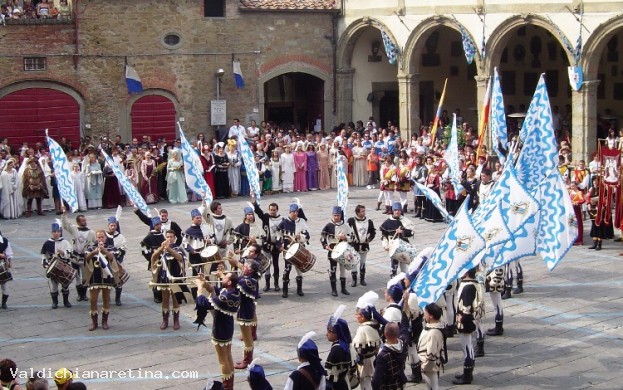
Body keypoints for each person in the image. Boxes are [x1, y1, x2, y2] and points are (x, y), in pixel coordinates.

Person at [194, 271, 241, 390]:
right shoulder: (234, 292)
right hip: (228, 327)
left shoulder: (225, 297)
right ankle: (230, 386)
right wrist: (206, 284)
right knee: (228, 356)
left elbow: (203, 303)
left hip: (220, 328)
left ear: (229, 282)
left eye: (225, 277)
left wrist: (199, 288)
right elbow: (217, 291)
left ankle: (227, 387)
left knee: (223, 360)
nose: (222, 278)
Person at [228, 246, 260, 369]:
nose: (243, 267)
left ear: (251, 270)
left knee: (247, 338)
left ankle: (247, 360)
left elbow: (236, 283)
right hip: (245, 309)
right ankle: (247, 359)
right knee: (247, 337)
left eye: (246, 267)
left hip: (246, 310)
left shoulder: (249, 281)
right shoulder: (247, 278)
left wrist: (224, 276)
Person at [84, 230, 121, 331]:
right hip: (94, 277)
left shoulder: (111, 247)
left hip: (107, 276)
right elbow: (86, 258)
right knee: (93, 299)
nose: (101, 239)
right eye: (99, 237)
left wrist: (105, 251)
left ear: (105, 237)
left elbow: (114, 258)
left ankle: (105, 321)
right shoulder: (91, 247)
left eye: (102, 237)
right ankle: (94, 322)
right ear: (96, 238)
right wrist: (94, 252)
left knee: (106, 298)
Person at [452, 266, 484, 385]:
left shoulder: (468, 286)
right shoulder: (471, 284)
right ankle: (467, 373)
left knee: (467, 348)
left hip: (465, 322)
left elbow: (466, 307)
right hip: (466, 320)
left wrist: (462, 319)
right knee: (467, 347)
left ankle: (467, 375)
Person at [151, 229, 185, 330]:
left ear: (174, 239)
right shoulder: (161, 249)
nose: (169, 239)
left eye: (171, 237)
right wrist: (161, 249)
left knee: (175, 299)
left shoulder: (178, 248)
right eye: (167, 237)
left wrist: (169, 249)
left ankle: (176, 320)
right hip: (164, 277)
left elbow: (179, 258)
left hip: (175, 278)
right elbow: (153, 257)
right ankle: (165, 320)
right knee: (165, 299)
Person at [352, 291, 386, 390]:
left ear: (362, 317)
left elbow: (359, 348)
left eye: (357, 314)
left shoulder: (364, 329)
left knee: (365, 383)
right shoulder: (374, 325)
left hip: (366, 361)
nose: (356, 316)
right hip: (372, 358)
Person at [61, 211, 96, 303]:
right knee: (76, 276)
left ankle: (84, 294)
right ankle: (79, 295)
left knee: (85, 276)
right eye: (83, 221)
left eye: (85, 220)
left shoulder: (91, 232)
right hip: (74, 257)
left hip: (85, 258)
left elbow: (95, 242)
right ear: (78, 222)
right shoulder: (74, 229)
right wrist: (64, 214)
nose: (85, 222)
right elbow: (66, 224)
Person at [277, 203, 310, 298]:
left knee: (299, 268)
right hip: (287, 249)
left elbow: (307, 235)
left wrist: (301, 236)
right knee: (287, 269)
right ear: (289, 212)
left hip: (299, 248)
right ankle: (285, 290)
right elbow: (278, 235)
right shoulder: (284, 222)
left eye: (296, 212)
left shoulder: (302, 222)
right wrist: (279, 245)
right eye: (293, 212)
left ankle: (299, 288)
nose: (295, 214)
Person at [252, 194, 283, 292]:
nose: (272, 211)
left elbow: (283, 232)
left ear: (277, 210)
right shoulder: (265, 217)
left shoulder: (282, 219)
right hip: (266, 245)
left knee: (276, 264)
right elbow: (258, 212)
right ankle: (267, 284)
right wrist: (254, 203)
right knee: (266, 264)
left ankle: (276, 283)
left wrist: (281, 244)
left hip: (276, 246)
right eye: (271, 210)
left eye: (274, 210)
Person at [41, 222, 74, 309]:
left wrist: (63, 253)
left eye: (58, 232)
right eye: (54, 232)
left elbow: (70, 253)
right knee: (54, 286)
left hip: (63, 266)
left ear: (60, 232)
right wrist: (45, 263)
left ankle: (66, 301)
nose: (56, 233)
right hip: (53, 267)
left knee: (65, 285)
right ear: (52, 232)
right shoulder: (48, 243)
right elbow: (44, 254)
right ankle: (55, 302)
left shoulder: (65, 242)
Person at [321, 206, 352, 297]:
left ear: (341, 215)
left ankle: (343, 288)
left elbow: (352, 237)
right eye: (335, 215)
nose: (336, 217)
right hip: (332, 251)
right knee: (333, 270)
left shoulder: (346, 226)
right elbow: (322, 237)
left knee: (343, 270)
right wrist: (325, 245)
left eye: (338, 215)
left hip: (343, 251)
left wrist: (345, 237)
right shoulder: (328, 225)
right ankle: (334, 289)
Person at [371, 321, 410, 390]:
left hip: (388, 386)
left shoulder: (383, 355)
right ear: (398, 333)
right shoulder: (404, 344)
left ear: (385, 334)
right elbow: (405, 329)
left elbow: (376, 379)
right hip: (399, 382)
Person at [380, 202, 414, 277]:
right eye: (395, 210)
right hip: (393, 246)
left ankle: (404, 281)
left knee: (403, 265)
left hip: (404, 246)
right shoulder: (387, 222)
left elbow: (411, 232)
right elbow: (384, 236)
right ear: (393, 211)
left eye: (399, 210)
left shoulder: (405, 221)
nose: (397, 212)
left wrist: (402, 231)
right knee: (394, 266)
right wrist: (385, 245)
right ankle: (393, 280)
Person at [417, 303, 445, 390]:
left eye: (425, 313)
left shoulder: (433, 333)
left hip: (429, 366)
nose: (424, 314)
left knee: (433, 386)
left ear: (431, 316)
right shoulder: (432, 327)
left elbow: (431, 353)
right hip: (428, 364)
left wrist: (425, 366)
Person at [325, 304, 352, 390]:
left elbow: (330, 378)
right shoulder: (345, 345)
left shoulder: (336, 350)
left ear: (336, 333)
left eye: (329, 331)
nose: (326, 334)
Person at [347, 204, 376, 287]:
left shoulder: (369, 221)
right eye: (362, 211)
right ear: (357, 212)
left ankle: (362, 279)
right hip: (354, 245)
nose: (364, 212)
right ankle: (354, 280)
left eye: (364, 211)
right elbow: (346, 231)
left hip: (364, 246)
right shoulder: (351, 221)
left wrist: (369, 239)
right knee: (353, 262)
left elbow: (373, 232)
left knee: (363, 262)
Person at [139, 215, 166, 303]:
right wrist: (151, 257)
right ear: (154, 225)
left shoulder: (162, 235)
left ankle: (163, 294)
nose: (159, 226)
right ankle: (157, 296)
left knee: (163, 277)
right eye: (157, 224)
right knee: (156, 278)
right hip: (155, 261)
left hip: (163, 260)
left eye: (160, 224)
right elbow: (143, 248)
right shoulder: (149, 237)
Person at [104, 217, 127, 306]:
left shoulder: (121, 237)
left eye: (114, 225)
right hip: (106, 263)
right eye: (111, 225)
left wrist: (116, 254)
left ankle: (118, 298)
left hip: (117, 262)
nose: (113, 227)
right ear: (108, 226)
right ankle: (107, 297)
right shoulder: (104, 235)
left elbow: (124, 249)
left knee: (118, 280)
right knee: (107, 280)